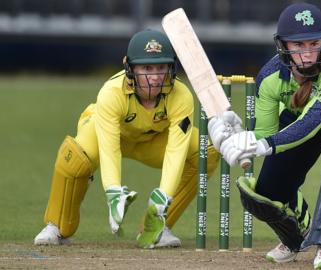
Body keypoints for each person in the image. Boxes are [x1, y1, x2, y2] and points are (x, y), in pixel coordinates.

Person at [209, 3, 321, 269]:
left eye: (314, 43)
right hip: (307, 114)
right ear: (283, 46)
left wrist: (262, 144)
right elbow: (267, 134)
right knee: (266, 192)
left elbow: (310, 123)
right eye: (299, 46)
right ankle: (295, 237)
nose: (308, 54)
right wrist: (240, 136)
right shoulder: (270, 79)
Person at [34, 29, 219, 248]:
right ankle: (57, 226)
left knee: (206, 150)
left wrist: (163, 196)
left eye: (161, 67)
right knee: (76, 157)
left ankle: (157, 226)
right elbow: (109, 148)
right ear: (130, 68)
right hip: (107, 133)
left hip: (152, 141)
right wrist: (113, 191)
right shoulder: (111, 92)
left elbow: (176, 149)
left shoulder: (182, 95)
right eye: (147, 68)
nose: (156, 75)